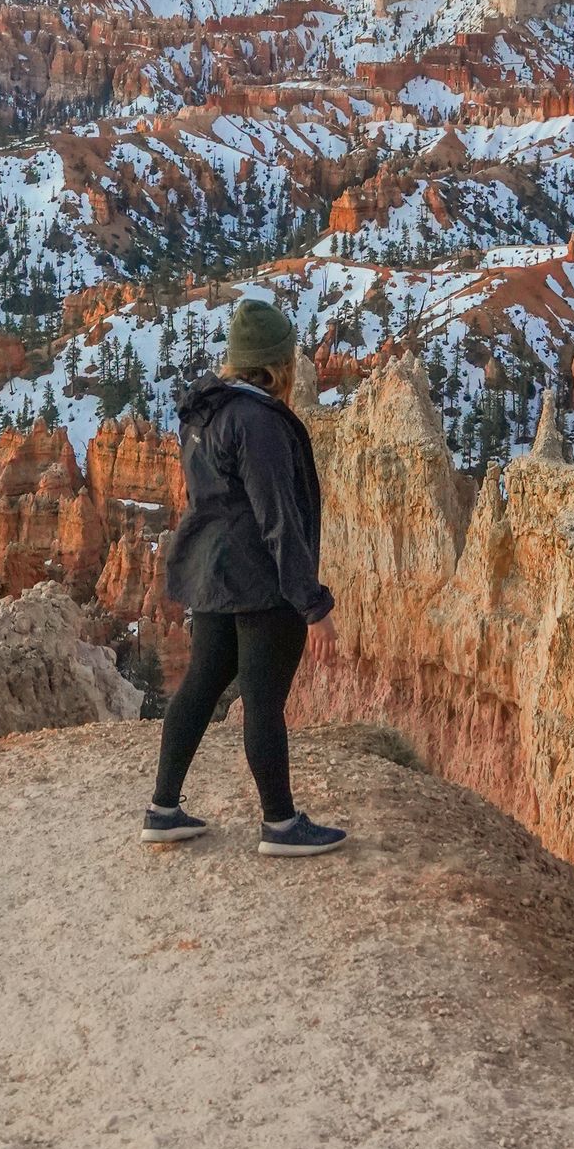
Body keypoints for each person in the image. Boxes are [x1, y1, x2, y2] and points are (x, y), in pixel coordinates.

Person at [141, 296, 347, 857]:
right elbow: (278, 518)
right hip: (260, 586)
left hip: (212, 575)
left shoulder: (206, 412)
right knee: (262, 701)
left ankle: (163, 808)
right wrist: (312, 603)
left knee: (201, 686)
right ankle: (280, 824)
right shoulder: (259, 424)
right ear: (278, 366)